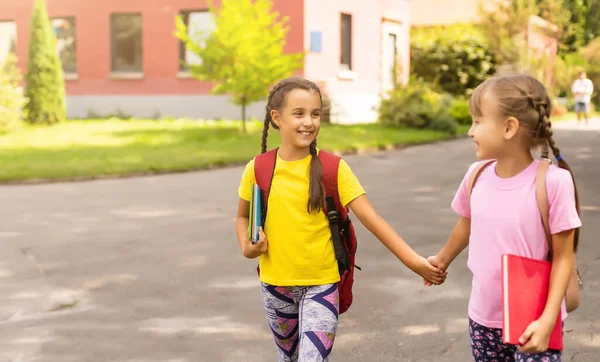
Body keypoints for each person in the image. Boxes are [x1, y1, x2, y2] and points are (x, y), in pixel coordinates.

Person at [235, 77, 446, 362]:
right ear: (277, 118)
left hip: (322, 285)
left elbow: (373, 219)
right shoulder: (257, 168)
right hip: (275, 286)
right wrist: (248, 248)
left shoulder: (334, 168)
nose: (308, 122)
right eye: (299, 113)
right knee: (288, 359)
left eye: (315, 114)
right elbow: (242, 216)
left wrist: (415, 262)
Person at [426, 74, 581, 361]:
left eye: (478, 121)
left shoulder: (554, 182)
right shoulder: (476, 176)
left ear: (509, 127)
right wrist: (443, 258)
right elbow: (467, 224)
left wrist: (548, 320)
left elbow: (563, 257)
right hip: (483, 317)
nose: (470, 131)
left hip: (535, 318)